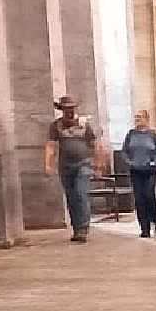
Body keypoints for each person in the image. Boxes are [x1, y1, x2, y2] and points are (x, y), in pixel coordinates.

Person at [44, 95, 104, 243]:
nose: (69, 111)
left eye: (71, 108)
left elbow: (95, 144)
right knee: (71, 198)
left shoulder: (84, 125)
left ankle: (83, 228)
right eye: (66, 109)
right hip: (65, 166)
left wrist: (98, 165)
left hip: (83, 164)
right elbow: (51, 145)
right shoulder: (56, 126)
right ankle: (77, 228)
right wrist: (48, 164)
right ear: (62, 110)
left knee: (80, 194)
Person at [121, 110, 156, 238]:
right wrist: (129, 162)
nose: (137, 120)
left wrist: (155, 161)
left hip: (150, 171)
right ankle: (144, 228)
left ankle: (155, 221)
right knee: (139, 199)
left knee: (149, 195)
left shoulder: (152, 135)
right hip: (135, 170)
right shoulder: (131, 134)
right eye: (136, 117)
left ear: (146, 119)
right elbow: (124, 152)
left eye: (140, 117)